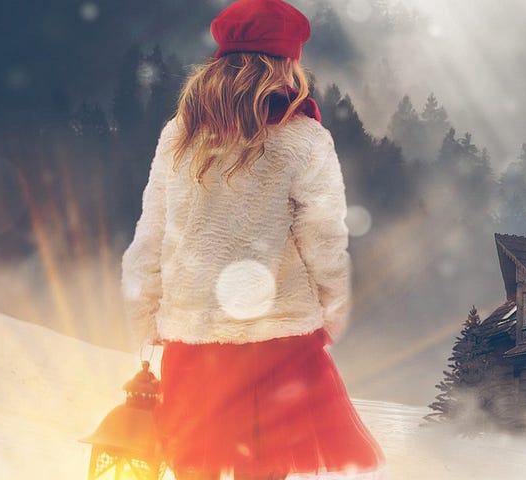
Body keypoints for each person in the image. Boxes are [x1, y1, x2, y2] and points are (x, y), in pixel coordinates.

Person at [120, 0, 384, 478]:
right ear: (286, 62)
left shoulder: (179, 134)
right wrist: (330, 314)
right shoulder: (304, 138)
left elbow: (151, 236)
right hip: (276, 342)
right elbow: (324, 242)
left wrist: (146, 315)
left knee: (193, 467)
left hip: (192, 339)